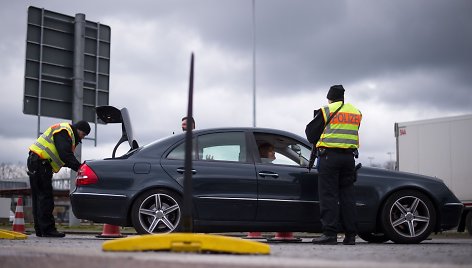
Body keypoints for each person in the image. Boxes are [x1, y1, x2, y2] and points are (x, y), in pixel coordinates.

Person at [311, 85, 362, 245]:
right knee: (348, 196)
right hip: (349, 159)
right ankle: (350, 236)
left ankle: (330, 234)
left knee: (329, 196)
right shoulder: (356, 112)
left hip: (329, 158)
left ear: (330, 97)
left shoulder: (327, 110)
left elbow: (310, 134)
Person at [27, 120, 91, 238]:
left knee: (38, 198)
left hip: (36, 161)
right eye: (83, 135)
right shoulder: (65, 131)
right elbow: (65, 155)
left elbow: (62, 156)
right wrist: (80, 168)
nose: (82, 138)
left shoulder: (63, 131)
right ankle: (48, 230)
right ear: (79, 130)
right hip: (41, 163)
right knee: (46, 198)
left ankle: (40, 229)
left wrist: (74, 165)